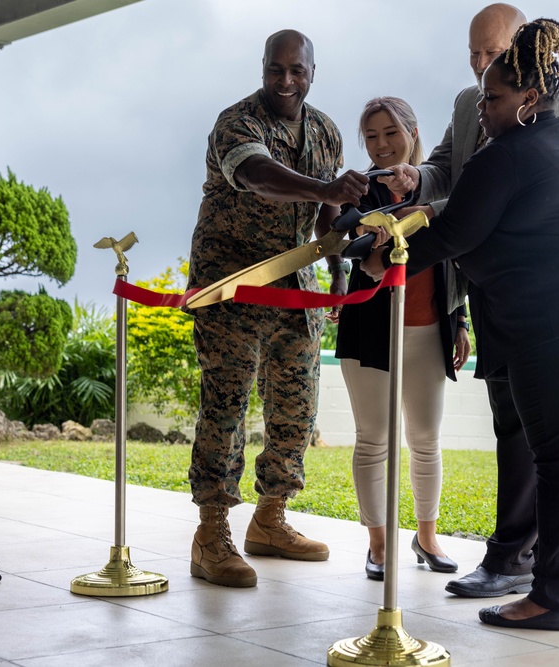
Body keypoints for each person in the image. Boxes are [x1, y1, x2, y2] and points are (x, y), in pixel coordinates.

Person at [364, 18, 559, 630]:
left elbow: (451, 234)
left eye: (493, 100)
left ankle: (549, 598)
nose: (485, 110)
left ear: (527, 100)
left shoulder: (506, 155)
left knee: (558, 459)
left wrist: (377, 259)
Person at [385, 3, 559, 600]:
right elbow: (447, 168)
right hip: (485, 285)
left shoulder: (556, 111)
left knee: (537, 429)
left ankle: (517, 557)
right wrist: (415, 179)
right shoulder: (470, 103)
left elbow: (515, 195)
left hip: (534, 290)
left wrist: (422, 223)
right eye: (472, 53)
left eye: (491, 54)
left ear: (520, 50)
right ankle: (515, 555)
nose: (479, 66)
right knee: (509, 422)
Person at [186, 29, 370, 588]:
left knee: (297, 403)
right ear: (262, 68)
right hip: (233, 280)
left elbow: (324, 214)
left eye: (297, 70)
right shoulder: (237, 122)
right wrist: (328, 188)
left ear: (313, 71)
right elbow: (259, 177)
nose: (285, 81)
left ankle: (270, 520)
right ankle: (211, 532)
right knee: (228, 401)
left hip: (295, 281)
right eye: (275, 69)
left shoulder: (326, 131)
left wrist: (338, 266)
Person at [333, 97, 470, 581]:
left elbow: (455, 259)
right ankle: (379, 544)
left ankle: (427, 537)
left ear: (413, 132)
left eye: (391, 132)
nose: (382, 145)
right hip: (369, 332)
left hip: (429, 329)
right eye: (371, 136)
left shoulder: (440, 190)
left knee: (426, 439)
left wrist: (460, 323)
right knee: (374, 440)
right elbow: (340, 240)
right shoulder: (356, 193)